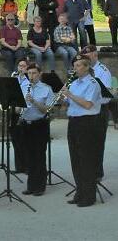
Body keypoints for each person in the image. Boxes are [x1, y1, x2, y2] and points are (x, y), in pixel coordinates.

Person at [62, 55, 102, 207]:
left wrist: (70, 95)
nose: (75, 68)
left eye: (78, 65)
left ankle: (89, 196)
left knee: (86, 160)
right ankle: (80, 192)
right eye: (74, 65)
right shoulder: (73, 83)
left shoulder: (92, 83)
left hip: (87, 123)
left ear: (86, 67)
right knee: (76, 160)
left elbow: (87, 105)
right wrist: (63, 99)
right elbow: (69, 104)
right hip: (73, 122)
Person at [17, 63, 53, 196]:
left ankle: (40, 187)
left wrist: (33, 101)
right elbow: (17, 106)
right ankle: (31, 186)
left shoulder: (46, 89)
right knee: (29, 156)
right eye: (29, 73)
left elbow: (47, 110)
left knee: (39, 155)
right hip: (26, 124)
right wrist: (17, 107)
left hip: (39, 125)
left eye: (34, 73)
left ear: (40, 74)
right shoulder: (23, 87)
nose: (31, 76)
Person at [79, 45, 111, 181]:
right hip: (84, 110)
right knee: (84, 142)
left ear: (95, 55)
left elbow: (107, 96)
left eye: (87, 56)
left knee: (97, 143)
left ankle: (97, 173)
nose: (85, 58)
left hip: (99, 110)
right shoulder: (83, 70)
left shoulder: (103, 71)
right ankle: (86, 171)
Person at [11, 59, 30, 174]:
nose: (21, 68)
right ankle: (19, 166)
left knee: (25, 141)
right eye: (19, 66)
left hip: (23, 112)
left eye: (23, 66)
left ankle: (27, 166)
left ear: (27, 68)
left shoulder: (28, 81)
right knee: (15, 140)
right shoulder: (14, 78)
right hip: (14, 111)